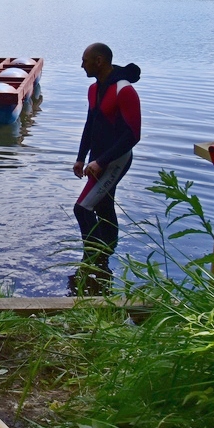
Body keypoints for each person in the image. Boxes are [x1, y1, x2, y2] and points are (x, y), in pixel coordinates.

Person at [71, 43, 141, 293]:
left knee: (82, 208)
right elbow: (90, 125)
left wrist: (101, 162)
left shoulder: (125, 91)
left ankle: (92, 259)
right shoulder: (94, 89)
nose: (82, 65)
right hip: (97, 158)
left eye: (85, 60)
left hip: (116, 159)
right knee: (103, 204)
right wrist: (81, 158)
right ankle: (107, 256)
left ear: (99, 61)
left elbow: (133, 135)